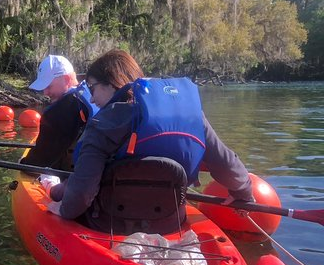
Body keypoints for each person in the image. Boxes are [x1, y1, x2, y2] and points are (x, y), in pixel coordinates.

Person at [47, 49, 253, 223]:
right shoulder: (191, 116)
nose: (92, 97)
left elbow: (83, 192)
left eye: (92, 88)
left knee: (61, 192)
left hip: (110, 222)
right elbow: (227, 164)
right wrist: (243, 194)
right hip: (170, 221)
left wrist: (63, 209)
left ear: (111, 83)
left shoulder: (103, 123)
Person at [21, 55, 96, 171]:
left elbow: (38, 163)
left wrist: (23, 164)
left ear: (66, 79)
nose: (45, 92)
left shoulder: (58, 112)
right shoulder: (92, 92)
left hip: (77, 176)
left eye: (49, 86)